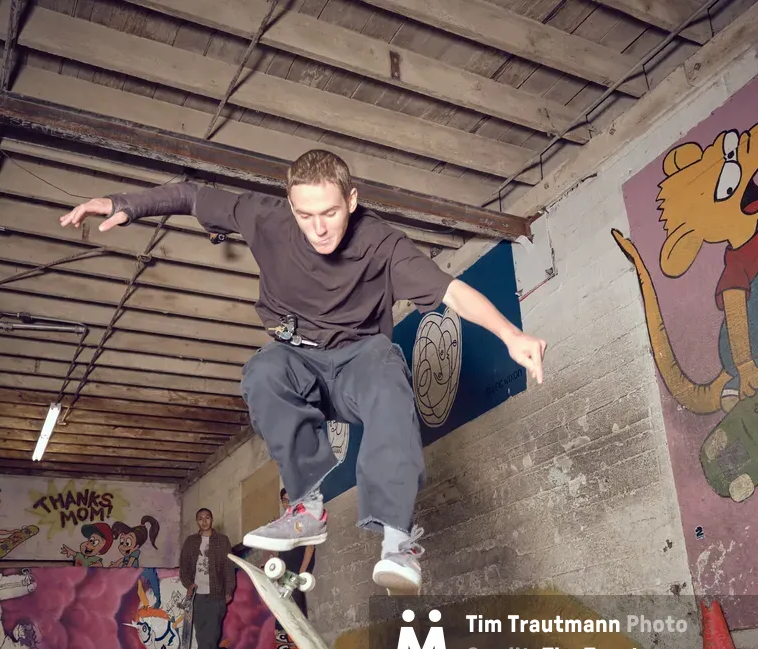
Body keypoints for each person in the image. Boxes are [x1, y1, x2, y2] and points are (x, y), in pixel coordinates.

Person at [60, 150, 546, 595]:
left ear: (352, 200)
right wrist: (125, 202)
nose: (318, 229)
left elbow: (452, 292)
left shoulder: (381, 243)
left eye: (330, 213)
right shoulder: (265, 218)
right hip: (299, 360)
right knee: (262, 370)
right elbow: (191, 195)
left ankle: (397, 540)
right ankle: (307, 507)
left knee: (387, 374)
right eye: (305, 214)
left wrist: (510, 335)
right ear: (290, 205)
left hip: (359, 360)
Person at [178, 508, 235, 649]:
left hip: (217, 590)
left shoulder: (222, 541)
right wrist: (189, 584)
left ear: (212, 520)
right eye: (200, 518)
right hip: (197, 593)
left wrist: (229, 590)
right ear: (197, 521)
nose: (204, 521)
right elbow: (184, 568)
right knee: (201, 629)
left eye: (207, 518)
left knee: (213, 627)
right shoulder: (190, 542)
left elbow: (228, 567)